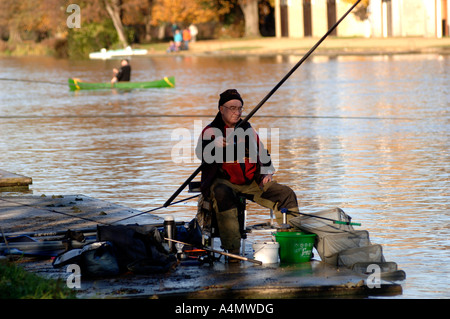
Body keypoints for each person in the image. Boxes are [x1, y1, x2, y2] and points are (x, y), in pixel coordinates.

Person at [195, 89, 300, 260]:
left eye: (240, 108)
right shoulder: (210, 131)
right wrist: (213, 145)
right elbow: (200, 153)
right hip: (223, 182)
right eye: (232, 108)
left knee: (285, 194)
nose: (237, 112)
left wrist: (267, 170)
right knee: (223, 195)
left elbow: (262, 150)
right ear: (221, 109)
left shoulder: (247, 128)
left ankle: (294, 242)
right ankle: (233, 251)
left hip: (251, 182)